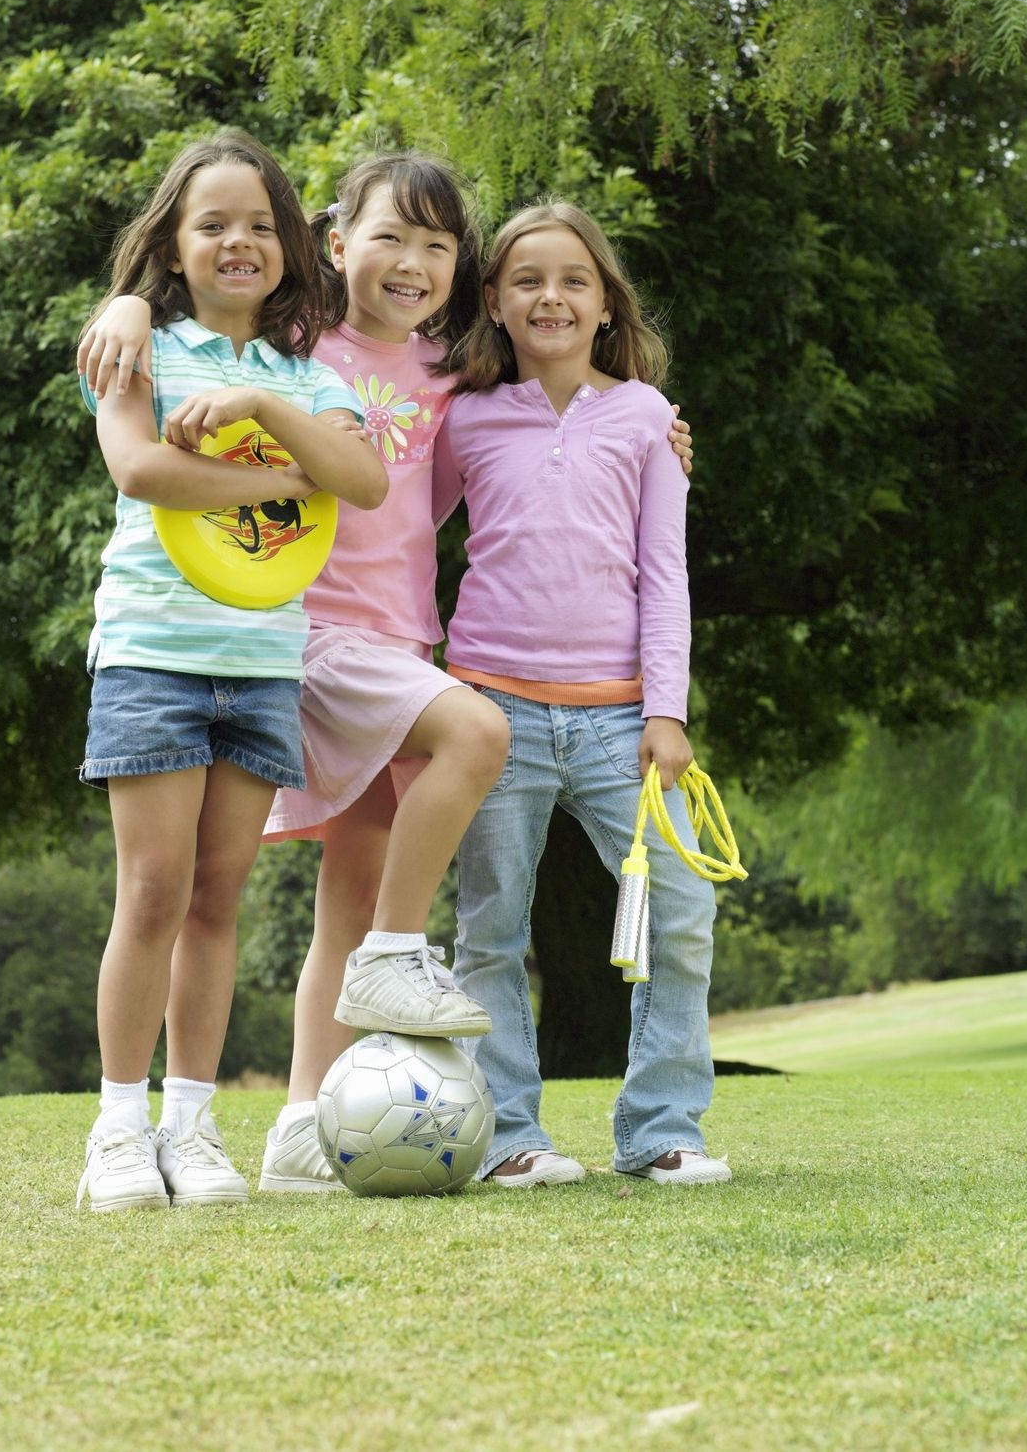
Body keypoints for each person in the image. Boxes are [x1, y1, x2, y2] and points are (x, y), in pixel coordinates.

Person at [79, 156, 695, 1194]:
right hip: (309, 638)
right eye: (387, 238)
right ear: (332, 243)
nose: (409, 263)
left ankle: (300, 1125)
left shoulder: (456, 379)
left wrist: (640, 422)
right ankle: (390, 966)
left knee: (351, 890)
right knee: (467, 741)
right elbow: (202, 311)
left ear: (463, 272)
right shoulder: (294, 347)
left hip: (399, 640)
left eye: (436, 246)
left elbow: (473, 468)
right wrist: (129, 304)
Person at [73, 129, 389, 1212]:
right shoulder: (140, 349)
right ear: (172, 243)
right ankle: (118, 1127)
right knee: (152, 891)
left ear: (294, 248)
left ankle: (192, 1124)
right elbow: (140, 466)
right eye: (214, 223)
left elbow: (365, 481)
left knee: (219, 899)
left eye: (261, 224)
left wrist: (263, 416)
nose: (239, 241)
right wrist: (280, 485)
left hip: (261, 666)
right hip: (154, 656)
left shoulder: (307, 377)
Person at [434, 201, 730, 1187]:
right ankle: (508, 1133)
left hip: (620, 722)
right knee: (489, 928)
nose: (550, 296)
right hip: (490, 713)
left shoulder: (648, 417)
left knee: (680, 908)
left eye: (573, 279)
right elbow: (395, 525)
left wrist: (666, 709)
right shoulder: (462, 416)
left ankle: (658, 1127)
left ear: (605, 303)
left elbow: (664, 572)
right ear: (494, 301)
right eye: (527, 280)